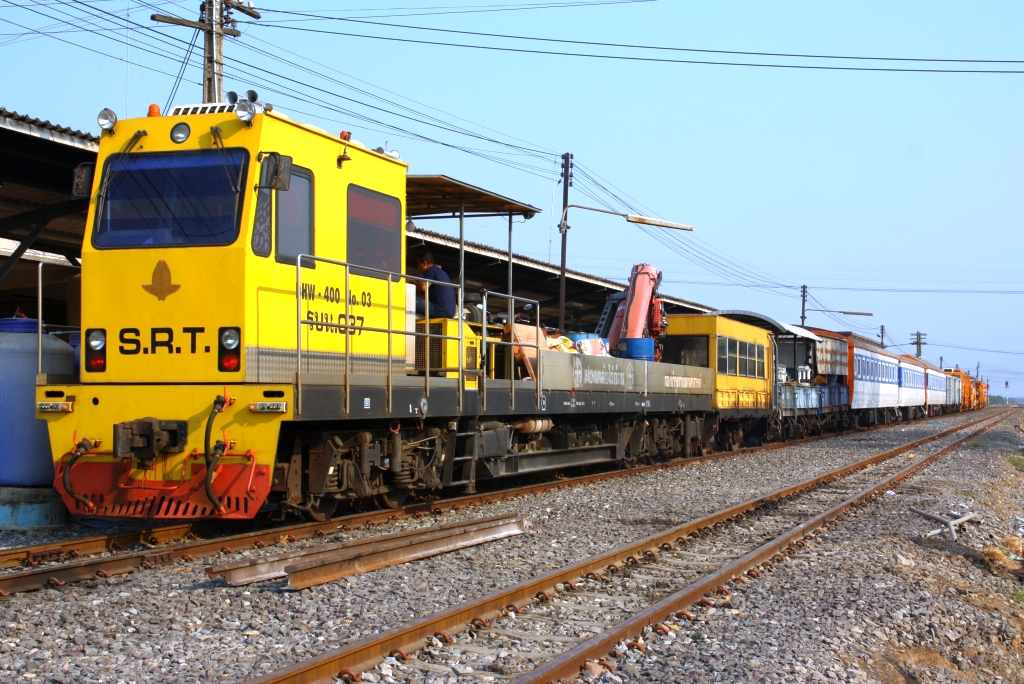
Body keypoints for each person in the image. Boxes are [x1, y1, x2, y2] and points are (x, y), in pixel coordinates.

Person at [414, 251, 456, 319]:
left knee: (407, 302)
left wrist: (411, 281)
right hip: (451, 312)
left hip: (439, 309)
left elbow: (423, 286)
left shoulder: (431, 270)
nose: (418, 268)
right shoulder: (441, 272)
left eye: (419, 265)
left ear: (424, 263)